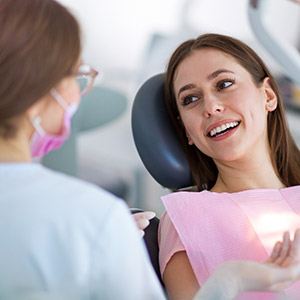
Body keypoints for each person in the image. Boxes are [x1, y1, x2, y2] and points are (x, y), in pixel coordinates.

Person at [0, 0, 165, 299]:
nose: (78, 91)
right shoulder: (93, 218)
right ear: (36, 92)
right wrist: (103, 239)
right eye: (76, 75)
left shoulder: (89, 220)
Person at [158, 33, 300, 299]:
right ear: (187, 132)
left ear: (268, 95)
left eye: (224, 84)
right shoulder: (187, 217)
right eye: (191, 99)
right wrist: (232, 279)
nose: (211, 107)